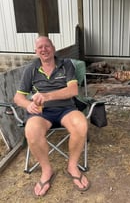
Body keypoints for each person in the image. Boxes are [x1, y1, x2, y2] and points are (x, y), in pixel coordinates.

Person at [13, 36, 90, 197]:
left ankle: (72, 166)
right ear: (36, 51)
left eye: (47, 46)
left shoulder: (66, 65)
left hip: (66, 109)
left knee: (81, 124)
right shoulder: (31, 69)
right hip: (42, 113)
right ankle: (47, 170)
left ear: (53, 48)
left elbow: (73, 90)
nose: (44, 49)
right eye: (40, 47)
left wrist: (47, 96)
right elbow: (18, 98)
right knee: (32, 131)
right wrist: (28, 105)